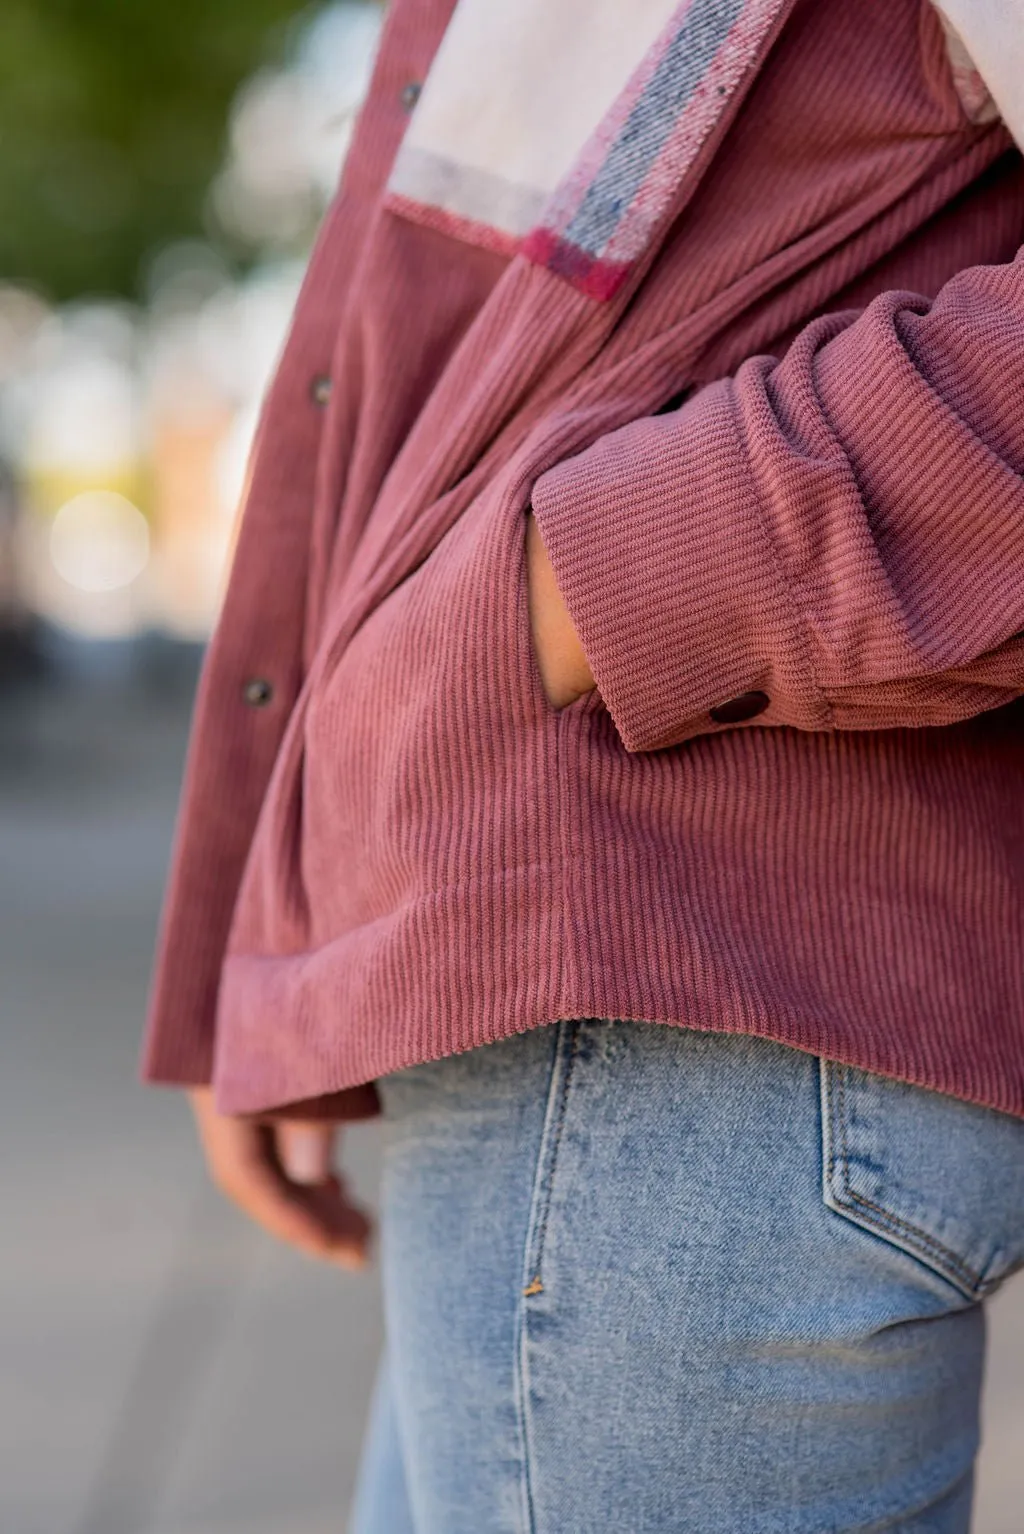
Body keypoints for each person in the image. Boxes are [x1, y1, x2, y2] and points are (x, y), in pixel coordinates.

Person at [143, 0, 1024, 1528]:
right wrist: (275, 919)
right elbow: (415, 365)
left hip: (671, 993)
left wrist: (609, 581)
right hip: (582, 993)